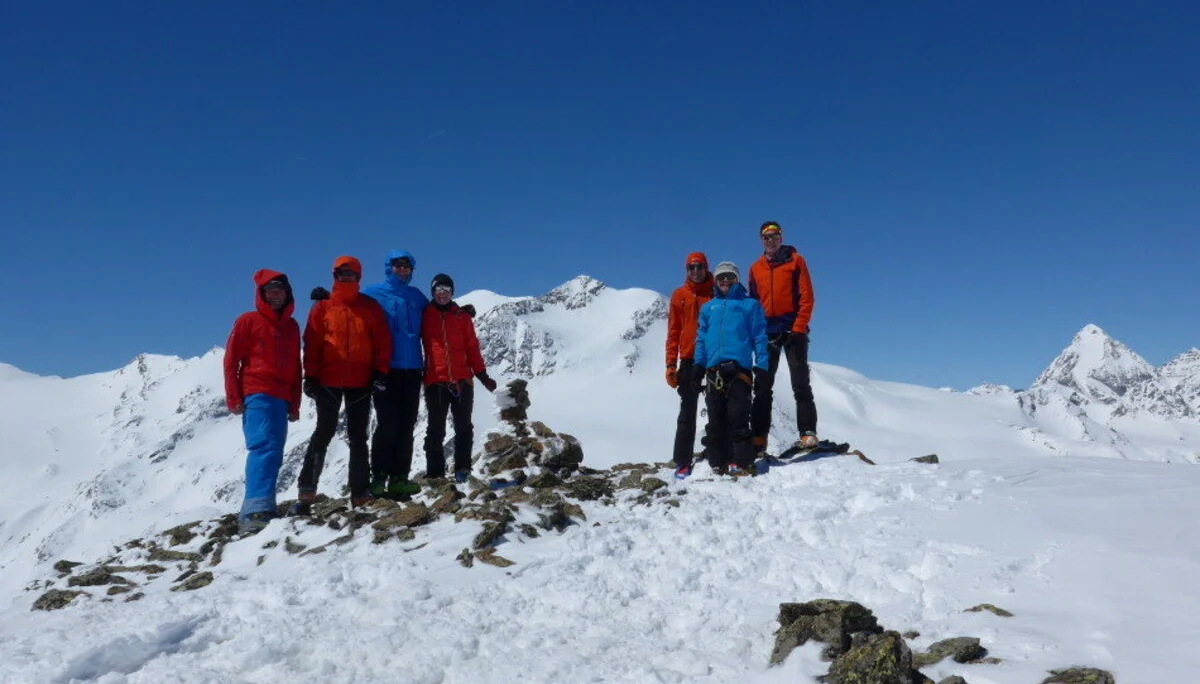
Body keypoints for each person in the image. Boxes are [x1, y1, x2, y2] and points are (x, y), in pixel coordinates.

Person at [295, 257, 391, 511]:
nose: (347, 278)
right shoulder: (322, 307)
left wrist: (380, 371)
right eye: (342, 274)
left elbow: (382, 341)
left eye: (352, 274)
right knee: (323, 432)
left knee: (358, 437)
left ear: (359, 277)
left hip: (361, 381)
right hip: (328, 380)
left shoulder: (369, 307)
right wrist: (310, 376)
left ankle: (359, 492)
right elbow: (312, 344)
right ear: (335, 275)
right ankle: (307, 489)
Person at [223, 270, 302, 534]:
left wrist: (295, 403)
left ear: (287, 293)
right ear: (261, 294)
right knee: (263, 447)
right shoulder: (248, 321)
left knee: (275, 450)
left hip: (281, 396)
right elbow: (231, 360)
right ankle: (254, 511)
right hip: (256, 391)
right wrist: (234, 397)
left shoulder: (291, 326)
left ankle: (264, 507)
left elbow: (296, 365)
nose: (275, 294)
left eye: (280, 290)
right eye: (270, 291)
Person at [746, 220, 819, 452]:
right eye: (766, 237)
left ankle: (807, 433)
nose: (771, 241)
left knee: (800, 383)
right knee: (763, 386)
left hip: (793, 330)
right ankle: (759, 438)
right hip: (768, 333)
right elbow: (754, 302)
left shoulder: (796, 261)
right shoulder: (755, 268)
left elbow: (807, 295)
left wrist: (799, 326)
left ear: (781, 237)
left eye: (774, 236)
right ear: (761, 240)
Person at [362, 250, 429, 497]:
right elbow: (350, 305)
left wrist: (459, 311)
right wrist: (328, 299)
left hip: (412, 369)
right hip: (385, 369)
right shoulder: (372, 293)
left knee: (407, 424)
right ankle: (378, 476)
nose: (402, 270)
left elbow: (436, 313)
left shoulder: (416, 297)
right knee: (387, 423)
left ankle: (400, 477)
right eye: (397, 265)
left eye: (407, 266)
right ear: (388, 267)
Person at [692, 262, 768, 475]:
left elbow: (760, 337)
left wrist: (761, 367)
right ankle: (718, 460)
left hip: (739, 369)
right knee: (715, 418)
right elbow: (701, 339)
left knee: (738, 415)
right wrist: (698, 365)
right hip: (713, 369)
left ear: (737, 279)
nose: (725, 280)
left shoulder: (749, 305)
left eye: (729, 276)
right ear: (715, 280)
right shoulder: (708, 308)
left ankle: (741, 461)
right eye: (721, 277)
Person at [420, 273, 497, 483]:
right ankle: (435, 473)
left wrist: (482, 375)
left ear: (452, 292)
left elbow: (472, 347)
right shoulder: (424, 315)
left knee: (464, 427)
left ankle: (463, 469)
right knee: (435, 429)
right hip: (435, 380)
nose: (442, 294)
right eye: (438, 290)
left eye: (446, 290)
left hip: (463, 380)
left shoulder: (462, 317)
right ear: (433, 292)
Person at [664, 252, 714, 479]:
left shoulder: (716, 291)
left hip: (714, 357)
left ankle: (717, 452)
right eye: (691, 267)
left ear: (706, 268)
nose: (695, 271)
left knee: (717, 407)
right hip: (688, 358)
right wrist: (670, 364)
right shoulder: (679, 295)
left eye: (699, 267)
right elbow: (673, 332)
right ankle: (682, 461)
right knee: (687, 411)